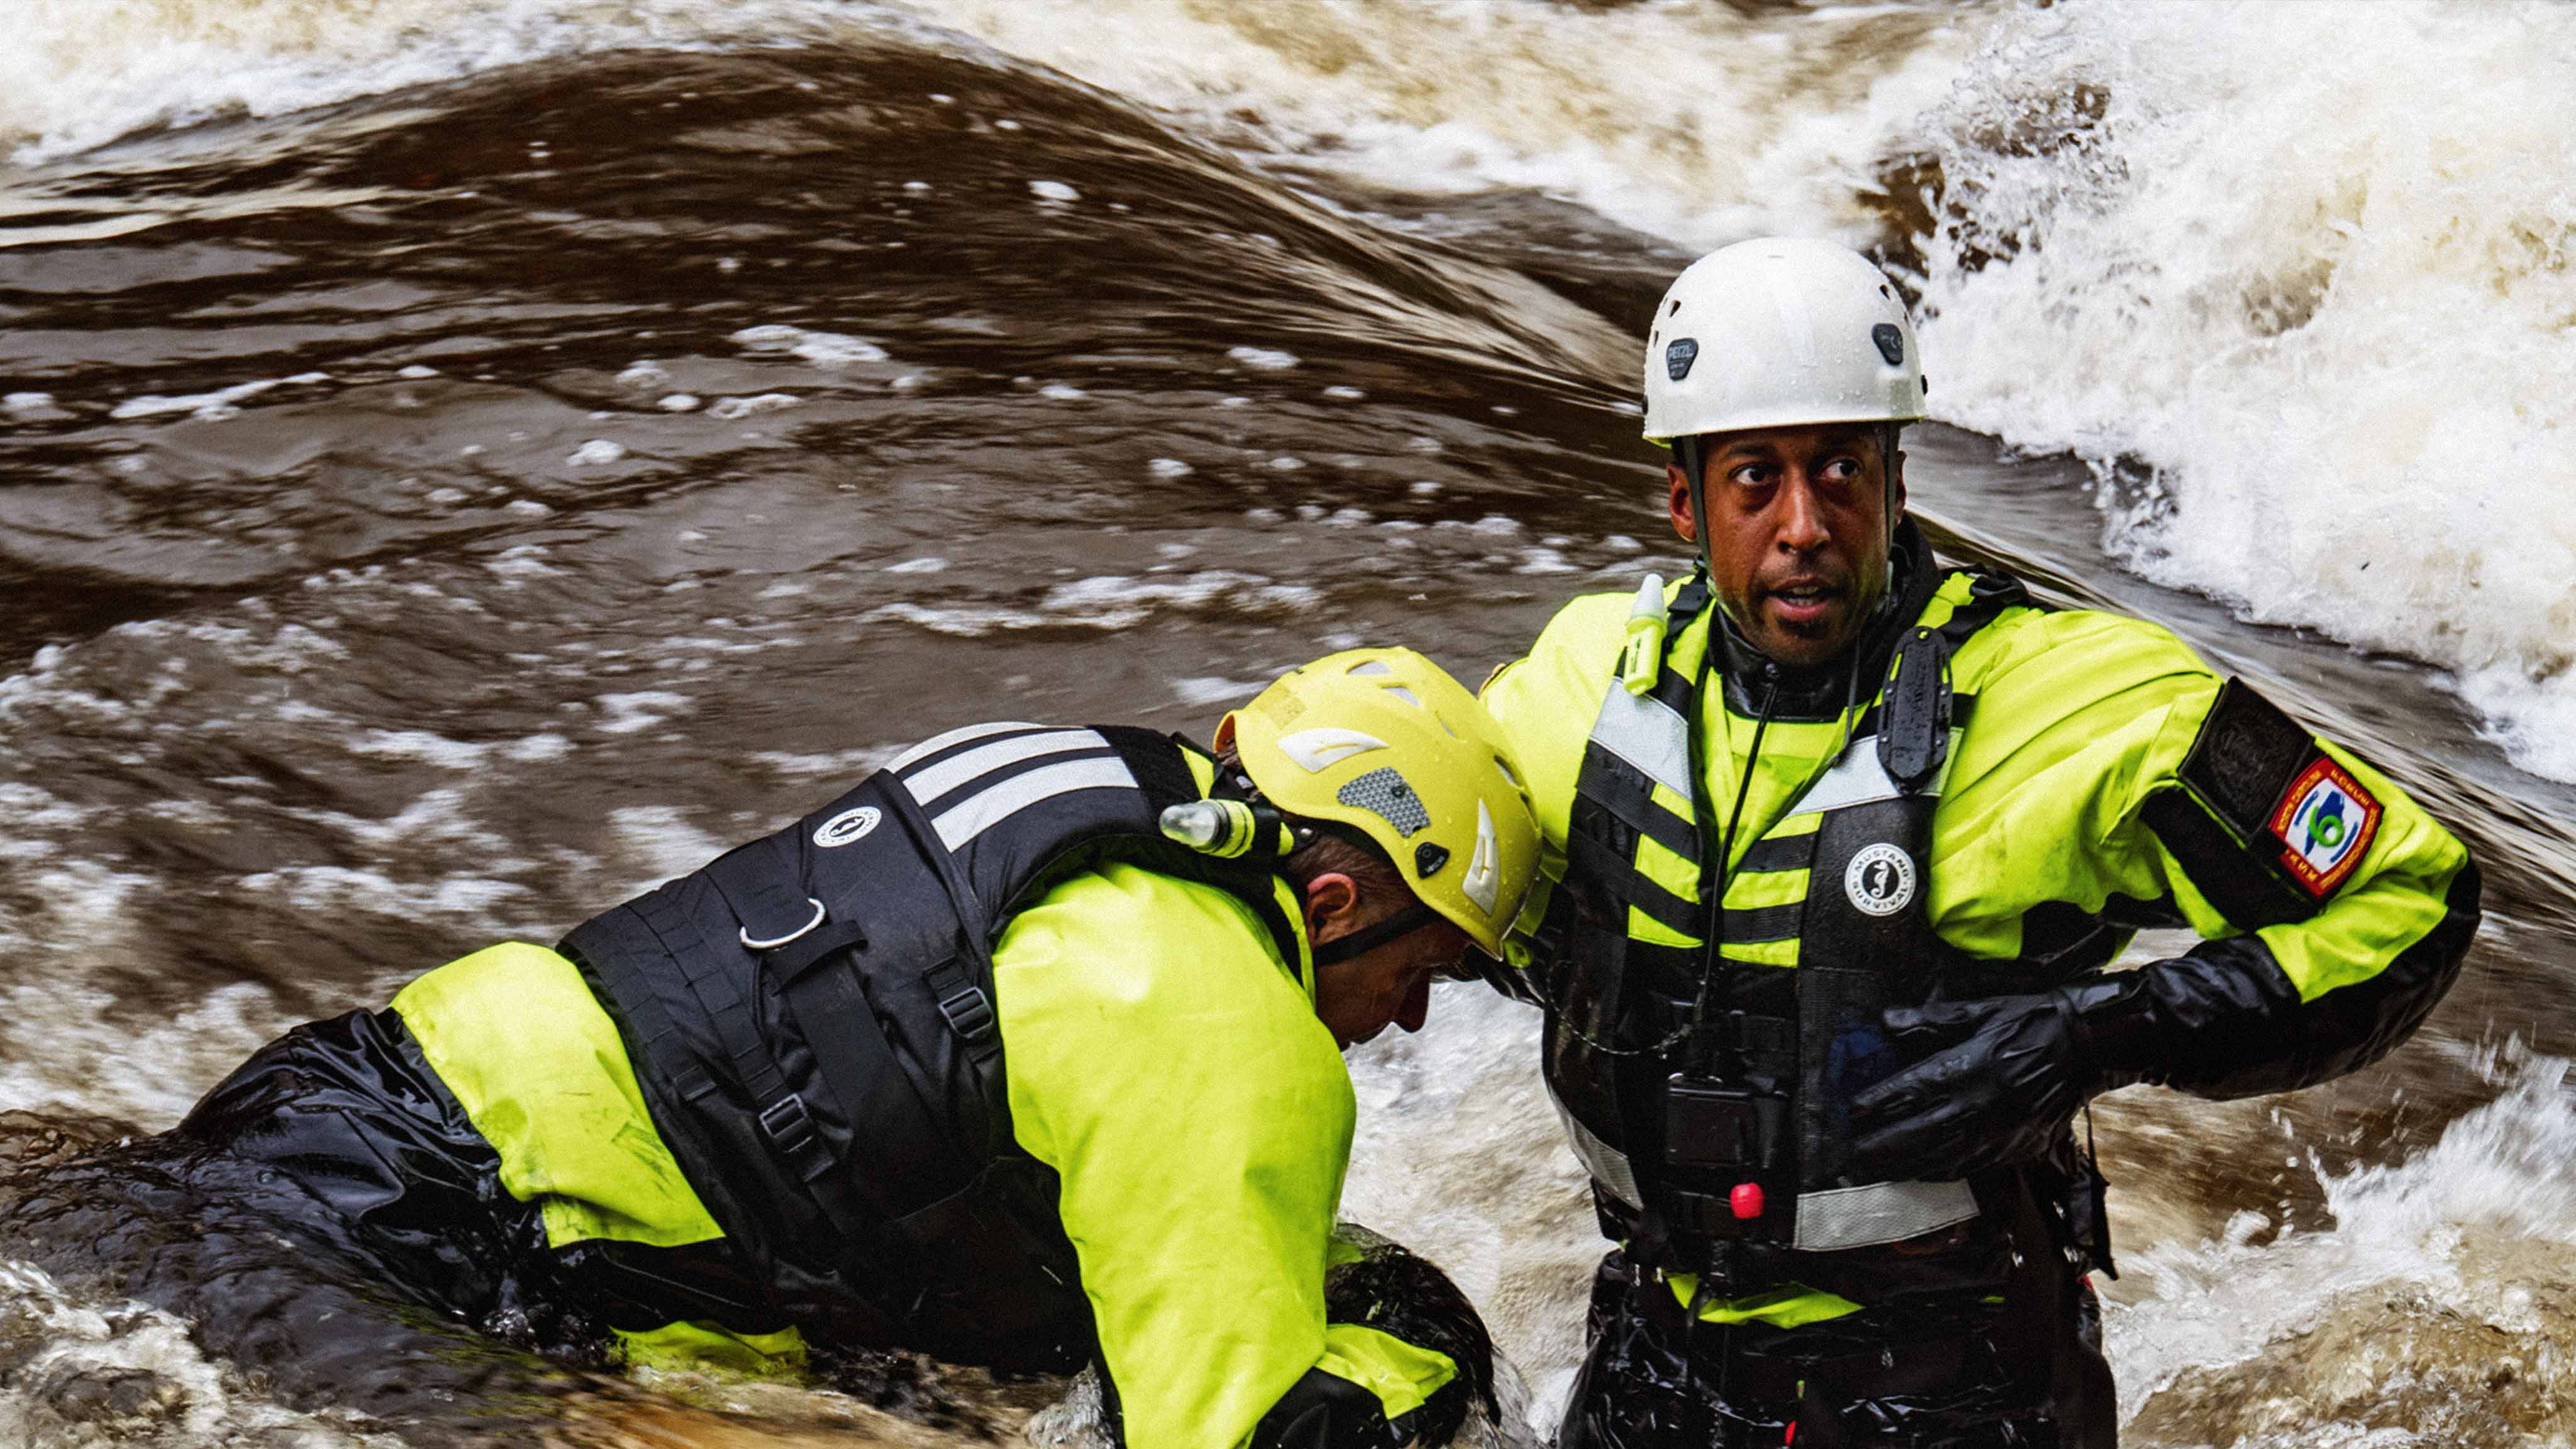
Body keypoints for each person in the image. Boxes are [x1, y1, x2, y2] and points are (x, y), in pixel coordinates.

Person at [1476, 237, 2480, 1446]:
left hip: (1959, 1394)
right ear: (1684, 500)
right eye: (1755, 479)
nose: (1805, 524)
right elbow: (1355, 853)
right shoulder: (1578, 686)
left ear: (1896, 481)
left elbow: (2412, 896)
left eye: (1841, 468)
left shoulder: (2078, 706)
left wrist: (2091, 1033)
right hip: (1656, 1365)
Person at [57, 648, 1541, 1449]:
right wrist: (1422, 1363)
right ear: (1335, 899)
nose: (1408, 1019)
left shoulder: (1088, 794)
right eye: (1424, 969)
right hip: (441, 1247)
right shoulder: (1223, 1027)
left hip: (356, 1095)